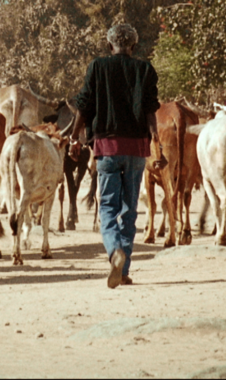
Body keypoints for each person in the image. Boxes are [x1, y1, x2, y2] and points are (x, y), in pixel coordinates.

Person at [70, 23, 165, 289]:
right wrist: (157, 142)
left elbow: (84, 105)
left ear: (109, 45)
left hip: (107, 149)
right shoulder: (145, 70)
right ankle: (124, 270)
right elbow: (150, 111)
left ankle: (115, 253)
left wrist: (73, 138)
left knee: (109, 208)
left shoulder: (97, 67)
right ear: (133, 46)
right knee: (130, 210)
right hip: (136, 150)